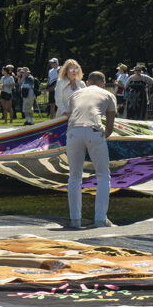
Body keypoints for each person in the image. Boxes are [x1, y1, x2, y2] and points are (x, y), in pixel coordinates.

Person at [64, 70, 116, 229]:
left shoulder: (75, 95)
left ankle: (75, 220)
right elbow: (110, 125)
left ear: (87, 82)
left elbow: (68, 115)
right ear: (103, 83)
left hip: (73, 132)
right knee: (102, 175)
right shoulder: (108, 94)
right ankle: (100, 219)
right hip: (94, 130)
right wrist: (102, 137)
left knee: (74, 176)